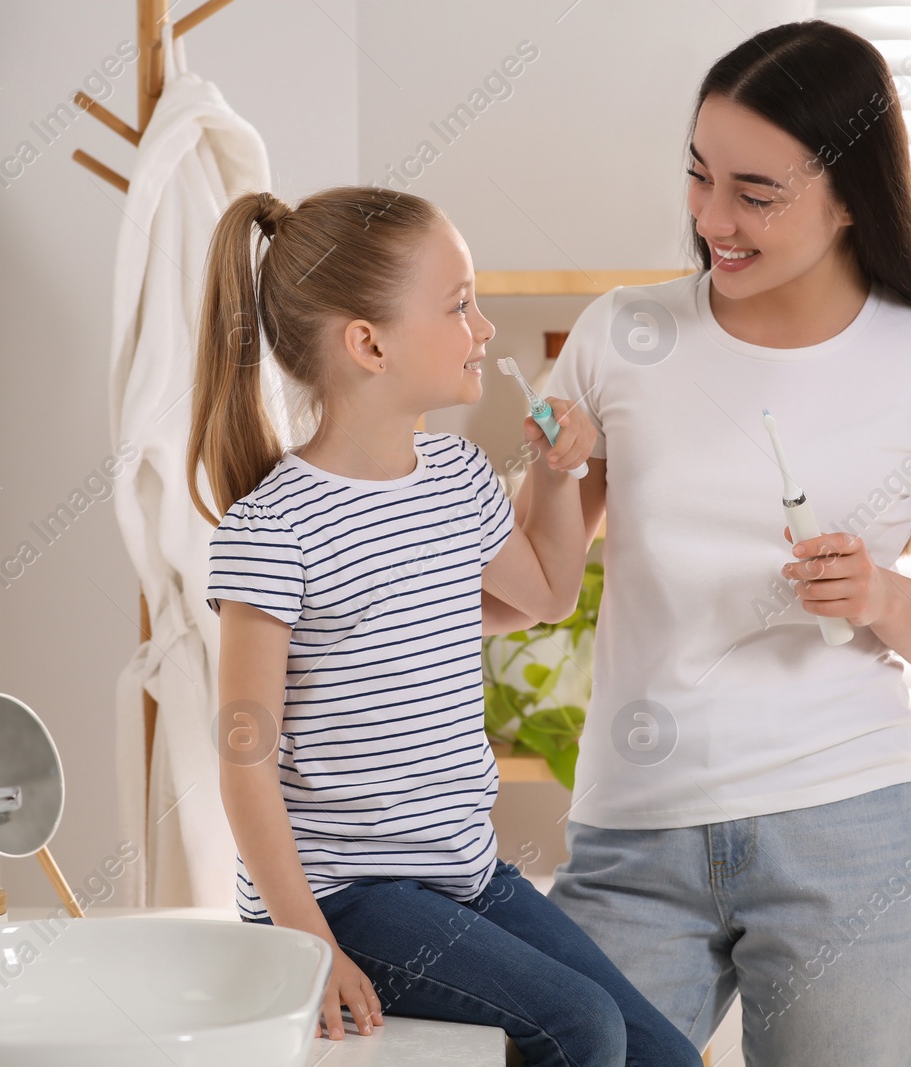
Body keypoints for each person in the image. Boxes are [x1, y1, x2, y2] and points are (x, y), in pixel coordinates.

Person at [486, 21, 911, 1065]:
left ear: (848, 195)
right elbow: (540, 588)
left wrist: (883, 598)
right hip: (634, 828)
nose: (710, 219)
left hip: (847, 837)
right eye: (697, 176)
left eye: (753, 193)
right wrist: (550, 475)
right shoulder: (621, 335)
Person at [189, 184, 705, 1067]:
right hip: (348, 893)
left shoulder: (457, 478)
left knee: (667, 1054)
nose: (484, 329)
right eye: (459, 305)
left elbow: (543, 593)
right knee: (582, 1027)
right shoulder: (274, 531)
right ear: (369, 344)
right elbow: (244, 763)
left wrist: (552, 478)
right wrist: (308, 943)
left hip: (463, 871)